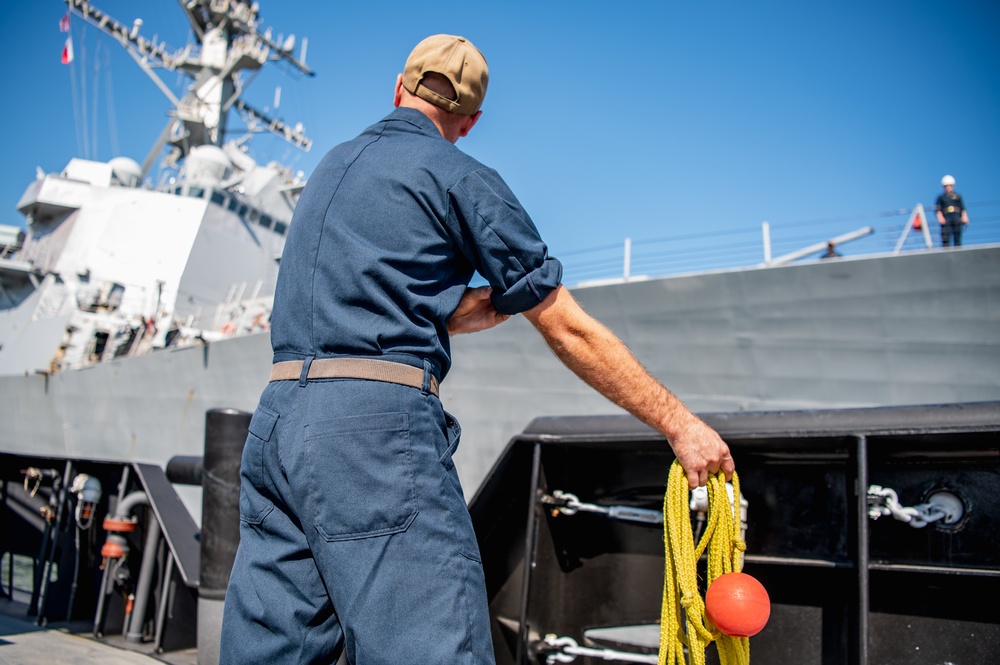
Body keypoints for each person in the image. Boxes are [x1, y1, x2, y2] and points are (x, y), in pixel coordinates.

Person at [219, 34, 735, 665]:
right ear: (470, 122)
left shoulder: (332, 166)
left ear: (399, 89)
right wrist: (680, 425)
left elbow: (350, 305)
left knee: (275, 651)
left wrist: (441, 313)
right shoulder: (459, 175)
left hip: (278, 426)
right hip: (373, 438)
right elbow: (567, 328)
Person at [935, 175, 969, 247]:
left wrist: (964, 217)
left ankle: (958, 251)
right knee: (946, 237)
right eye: (947, 186)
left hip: (956, 217)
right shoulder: (941, 197)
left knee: (957, 236)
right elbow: (938, 209)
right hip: (946, 217)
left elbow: (962, 208)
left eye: (950, 185)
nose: (949, 187)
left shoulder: (957, 196)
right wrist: (940, 217)